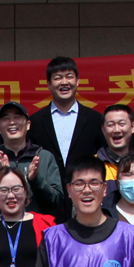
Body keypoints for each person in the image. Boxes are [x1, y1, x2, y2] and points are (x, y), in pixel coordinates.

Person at [0, 102, 64, 217]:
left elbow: (56, 201)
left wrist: (36, 180)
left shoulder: (44, 157)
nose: (12, 122)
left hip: (36, 225)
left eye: (17, 117)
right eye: (6, 119)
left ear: (28, 124)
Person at [31, 55, 102, 202]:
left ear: (78, 81)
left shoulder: (95, 119)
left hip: (85, 196)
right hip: (46, 197)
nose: (64, 82)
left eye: (69, 76)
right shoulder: (35, 122)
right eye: (57, 78)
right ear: (49, 84)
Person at [96, 104, 134, 186]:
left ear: (133, 127)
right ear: (103, 129)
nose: (116, 130)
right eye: (111, 125)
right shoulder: (93, 165)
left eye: (122, 124)